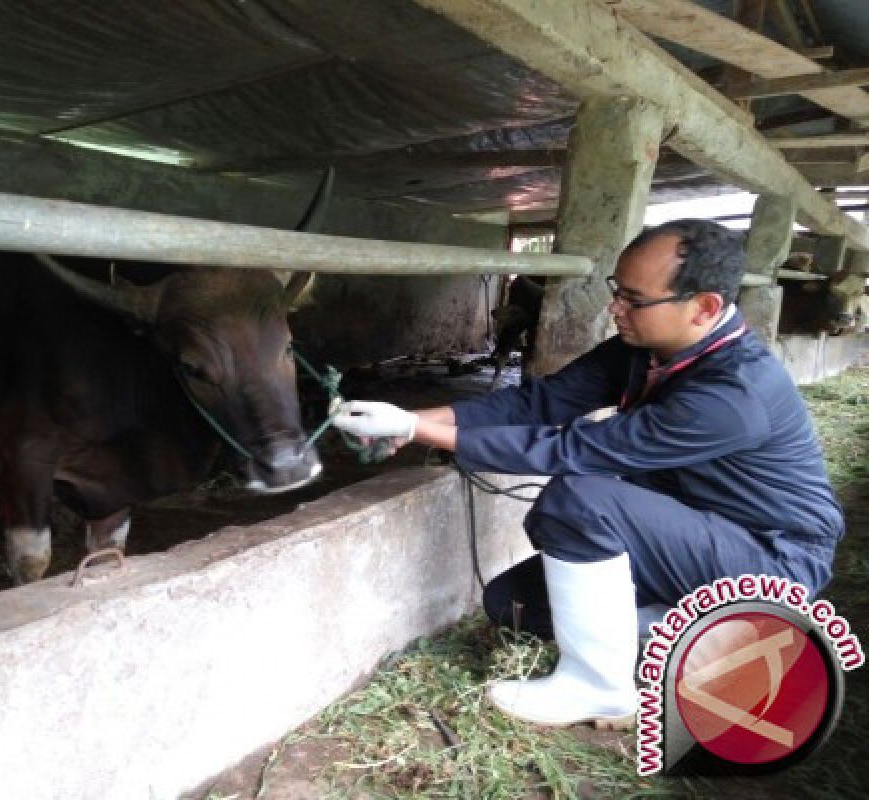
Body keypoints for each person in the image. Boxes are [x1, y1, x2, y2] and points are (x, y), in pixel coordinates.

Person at [331, 219, 843, 729]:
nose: (614, 308)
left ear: (704, 307)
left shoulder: (733, 394)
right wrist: (413, 421)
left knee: (581, 497)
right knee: (513, 604)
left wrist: (423, 430)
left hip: (770, 559)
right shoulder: (645, 350)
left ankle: (601, 688)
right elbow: (544, 401)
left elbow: (577, 449)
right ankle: (714, 639)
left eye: (635, 300)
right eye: (617, 291)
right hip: (696, 536)